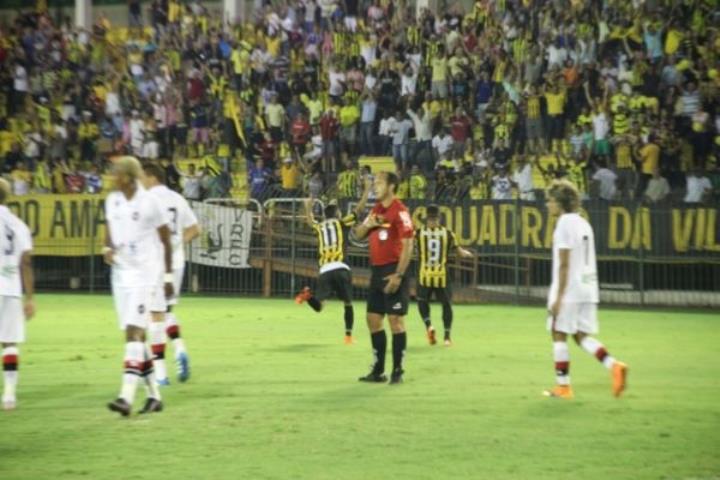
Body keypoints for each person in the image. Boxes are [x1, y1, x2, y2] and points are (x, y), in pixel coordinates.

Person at [543, 180, 628, 400]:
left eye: (550, 200)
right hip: (588, 287)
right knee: (581, 337)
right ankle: (614, 365)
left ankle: (563, 387)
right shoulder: (583, 223)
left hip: (569, 289)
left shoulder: (563, 224)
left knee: (558, 333)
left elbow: (564, 263)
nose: (547, 205)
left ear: (560, 203)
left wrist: (559, 297)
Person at [104, 156, 174, 416]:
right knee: (134, 336)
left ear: (128, 176)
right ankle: (154, 396)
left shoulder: (150, 202)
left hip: (146, 274)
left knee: (134, 331)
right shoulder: (113, 200)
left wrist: (166, 278)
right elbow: (109, 228)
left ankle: (126, 396)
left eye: (116, 172)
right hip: (121, 274)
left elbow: (166, 240)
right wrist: (107, 248)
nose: (112, 176)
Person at [352, 172, 414, 384]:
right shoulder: (376, 210)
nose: (375, 186)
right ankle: (378, 371)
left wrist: (399, 274)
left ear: (392, 186)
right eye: (375, 182)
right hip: (376, 271)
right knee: (373, 320)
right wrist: (368, 224)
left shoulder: (401, 211)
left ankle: (398, 370)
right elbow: (358, 235)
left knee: (395, 320)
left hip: (393, 270)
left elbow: (408, 245)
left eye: (379, 183)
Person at [142, 163, 201, 385]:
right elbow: (195, 229)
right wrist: (177, 243)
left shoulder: (147, 200)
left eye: (142, 177)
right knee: (166, 310)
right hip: (176, 263)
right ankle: (179, 348)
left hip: (155, 263)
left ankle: (160, 374)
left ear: (151, 177)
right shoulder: (177, 198)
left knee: (154, 315)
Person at [295, 178, 371, 344]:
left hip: (324, 271)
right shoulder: (341, 222)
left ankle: (308, 296)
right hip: (341, 267)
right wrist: (366, 190)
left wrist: (308, 206)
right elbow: (358, 210)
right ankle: (348, 336)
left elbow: (309, 222)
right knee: (348, 303)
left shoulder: (320, 226)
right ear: (337, 214)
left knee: (320, 306)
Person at [415, 205, 473, 346]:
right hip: (442, 274)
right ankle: (447, 338)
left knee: (422, 301)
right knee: (446, 305)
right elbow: (460, 252)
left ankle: (429, 326)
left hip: (424, 274)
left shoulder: (418, 233)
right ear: (439, 218)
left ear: (426, 218)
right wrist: (467, 254)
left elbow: (409, 248)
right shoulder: (448, 234)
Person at [0, 178, 34, 411]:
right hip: (11, 288)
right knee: (9, 341)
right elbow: (26, 262)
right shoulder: (18, 224)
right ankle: (9, 395)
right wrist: (30, 296)